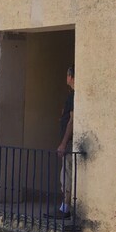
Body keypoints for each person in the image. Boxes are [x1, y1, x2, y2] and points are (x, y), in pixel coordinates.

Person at [47, 66, 75, 219]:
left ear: (70, 76)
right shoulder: (73, 95)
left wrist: (63, 143)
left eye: (67, 75)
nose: (66, 78)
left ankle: (65, 209)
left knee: (66, 176)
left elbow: (72, 120)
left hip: (70, 143)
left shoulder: (73, 96)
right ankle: (65, 208)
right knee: (66, 175)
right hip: (70, 142)